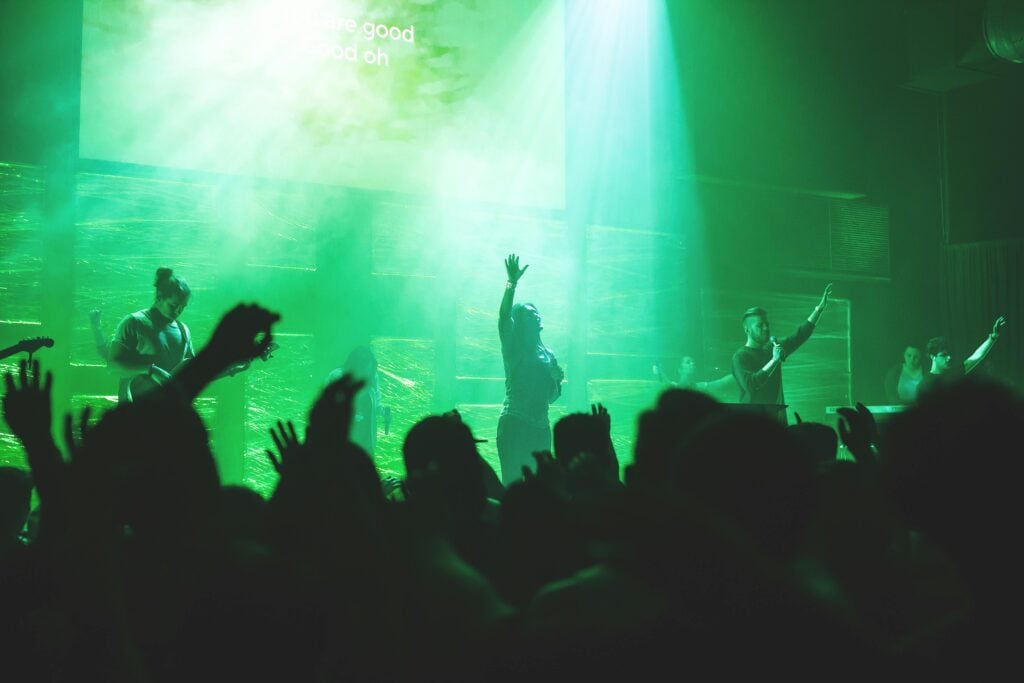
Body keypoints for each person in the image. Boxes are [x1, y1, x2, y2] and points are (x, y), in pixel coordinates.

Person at [496, 253, 564, 485]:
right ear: (520, 322)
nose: (535, 314)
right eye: (528, 313)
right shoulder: (513, 347)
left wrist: (556, 381)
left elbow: (552, 398)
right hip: (515, 423)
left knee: (542, 488)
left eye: (536, 312)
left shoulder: (549, 354)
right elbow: (503, 317)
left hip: (541, 427)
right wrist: (511, 284)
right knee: (514, 484)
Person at [732, 284, 833, 415]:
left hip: (773, 417)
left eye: (767, 324)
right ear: (747, 329)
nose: (766, 328)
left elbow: (800, 335)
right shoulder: (741, 356)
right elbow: (751, 385)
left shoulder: (771, 347)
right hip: (751, 420)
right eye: (760, 325)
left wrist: (819, 309)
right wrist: (774, 360)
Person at [107, 268, 195, 403]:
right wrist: (150, 370)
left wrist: (227, 369)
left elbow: (191, 369)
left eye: (183, 306)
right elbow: (113, 367)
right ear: (160, 296)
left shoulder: (184, 330)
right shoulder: (133, 323)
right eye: (174, 305)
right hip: (135, 416)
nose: (178, 311)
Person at [324, 345, 391, 459]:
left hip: (367, 442)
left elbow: (375, 405)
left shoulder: (373, 377)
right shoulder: (337, 377)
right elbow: (326, 408)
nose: (367, 374)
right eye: (364, 369)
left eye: (370, 370)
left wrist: (384, 412)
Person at [917, 316, 1006, 398]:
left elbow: (976, 356)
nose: (949, 357)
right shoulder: (925, 384)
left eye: (948, 354)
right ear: (933, 357)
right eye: (943, 355)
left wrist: (993, 337)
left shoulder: (953, 373)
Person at [654, 355, 735, 397]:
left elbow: (721, 382)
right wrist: (659, 372)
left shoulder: (696, 386)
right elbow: (664, 381)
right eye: (688, 362)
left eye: (693, 361)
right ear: (680, 369)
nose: (692, 363)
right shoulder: (673, 387)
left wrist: (737, 373)